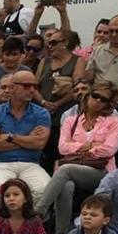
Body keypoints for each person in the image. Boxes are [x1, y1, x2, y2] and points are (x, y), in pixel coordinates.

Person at [36, 82, 118, 234]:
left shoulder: (113, 121)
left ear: (108, 104)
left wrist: (75, 148)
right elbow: (62, 147)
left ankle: (38, 212)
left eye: (103, 99)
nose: (98, 101)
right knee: (66, 185)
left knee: (65, 169)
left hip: (102, 171)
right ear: (88, 96)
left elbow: (109, 150)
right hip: (74, 171)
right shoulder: (71, 120)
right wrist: (90, 146)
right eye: (95, 95)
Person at [0, 70, 51, 205]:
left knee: (44, 190)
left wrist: (9, 136)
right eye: (26, 86)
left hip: (31, 164)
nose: (32, 90)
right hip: (0, 163)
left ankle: (24, 221)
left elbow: (39, 143)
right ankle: (14, 220)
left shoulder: (42, 113)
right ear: (13, 87)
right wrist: (28, 138)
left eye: (35, 86)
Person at [35, 30, 86, 173]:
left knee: (59, 152)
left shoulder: (77, 61)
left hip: (64, 114)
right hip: (42, 112)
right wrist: (44, 102)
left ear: (65, 44)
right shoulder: (44, 61)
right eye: (48, 42)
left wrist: (58, 104)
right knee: (43, 153)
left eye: (54, 42)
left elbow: (79, 87)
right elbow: (34, 86)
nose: (49, 46)